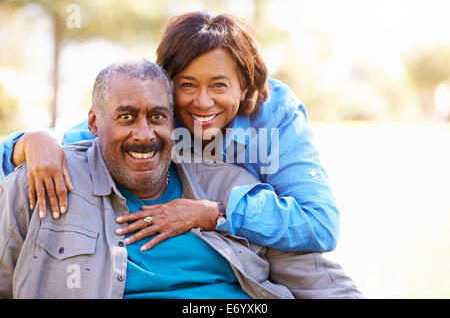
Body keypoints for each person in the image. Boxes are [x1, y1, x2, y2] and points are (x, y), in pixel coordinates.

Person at [0, 60, 363, 299]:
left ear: (174, 122)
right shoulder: (43, 180)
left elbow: (323, 283)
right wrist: (29, 140)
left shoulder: (232, 188)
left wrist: (213, 213)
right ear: (94, 124)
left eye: (158, 116)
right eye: (126, 117)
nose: (144, 134)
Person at [0, 12, 339, 253]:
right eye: (187, 85)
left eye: (219, 86)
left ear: (244, 85)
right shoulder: (159, 116)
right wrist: (30, 142)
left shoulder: (275, 115)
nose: (202, 102)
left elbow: (319, 224)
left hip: (255, 259)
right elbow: (81, 139)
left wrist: (211, 212)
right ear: (166, 85)